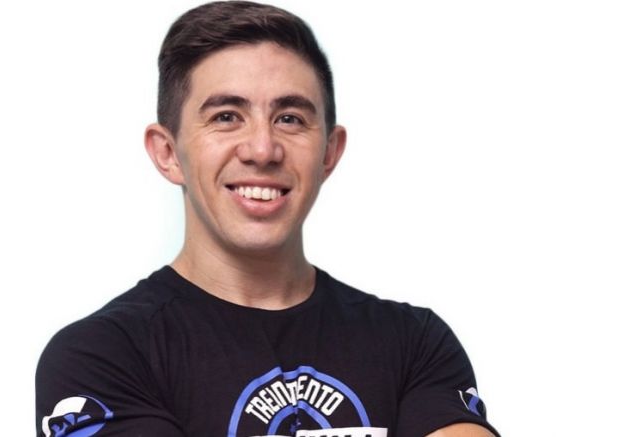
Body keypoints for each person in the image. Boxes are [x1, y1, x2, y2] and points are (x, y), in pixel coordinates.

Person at [35, 2, 500, 436]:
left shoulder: (415, 343)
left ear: (329, 152)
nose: (262, 149)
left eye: (290, 118)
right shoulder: (101, 356)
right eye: (226, 117)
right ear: (168, 153)